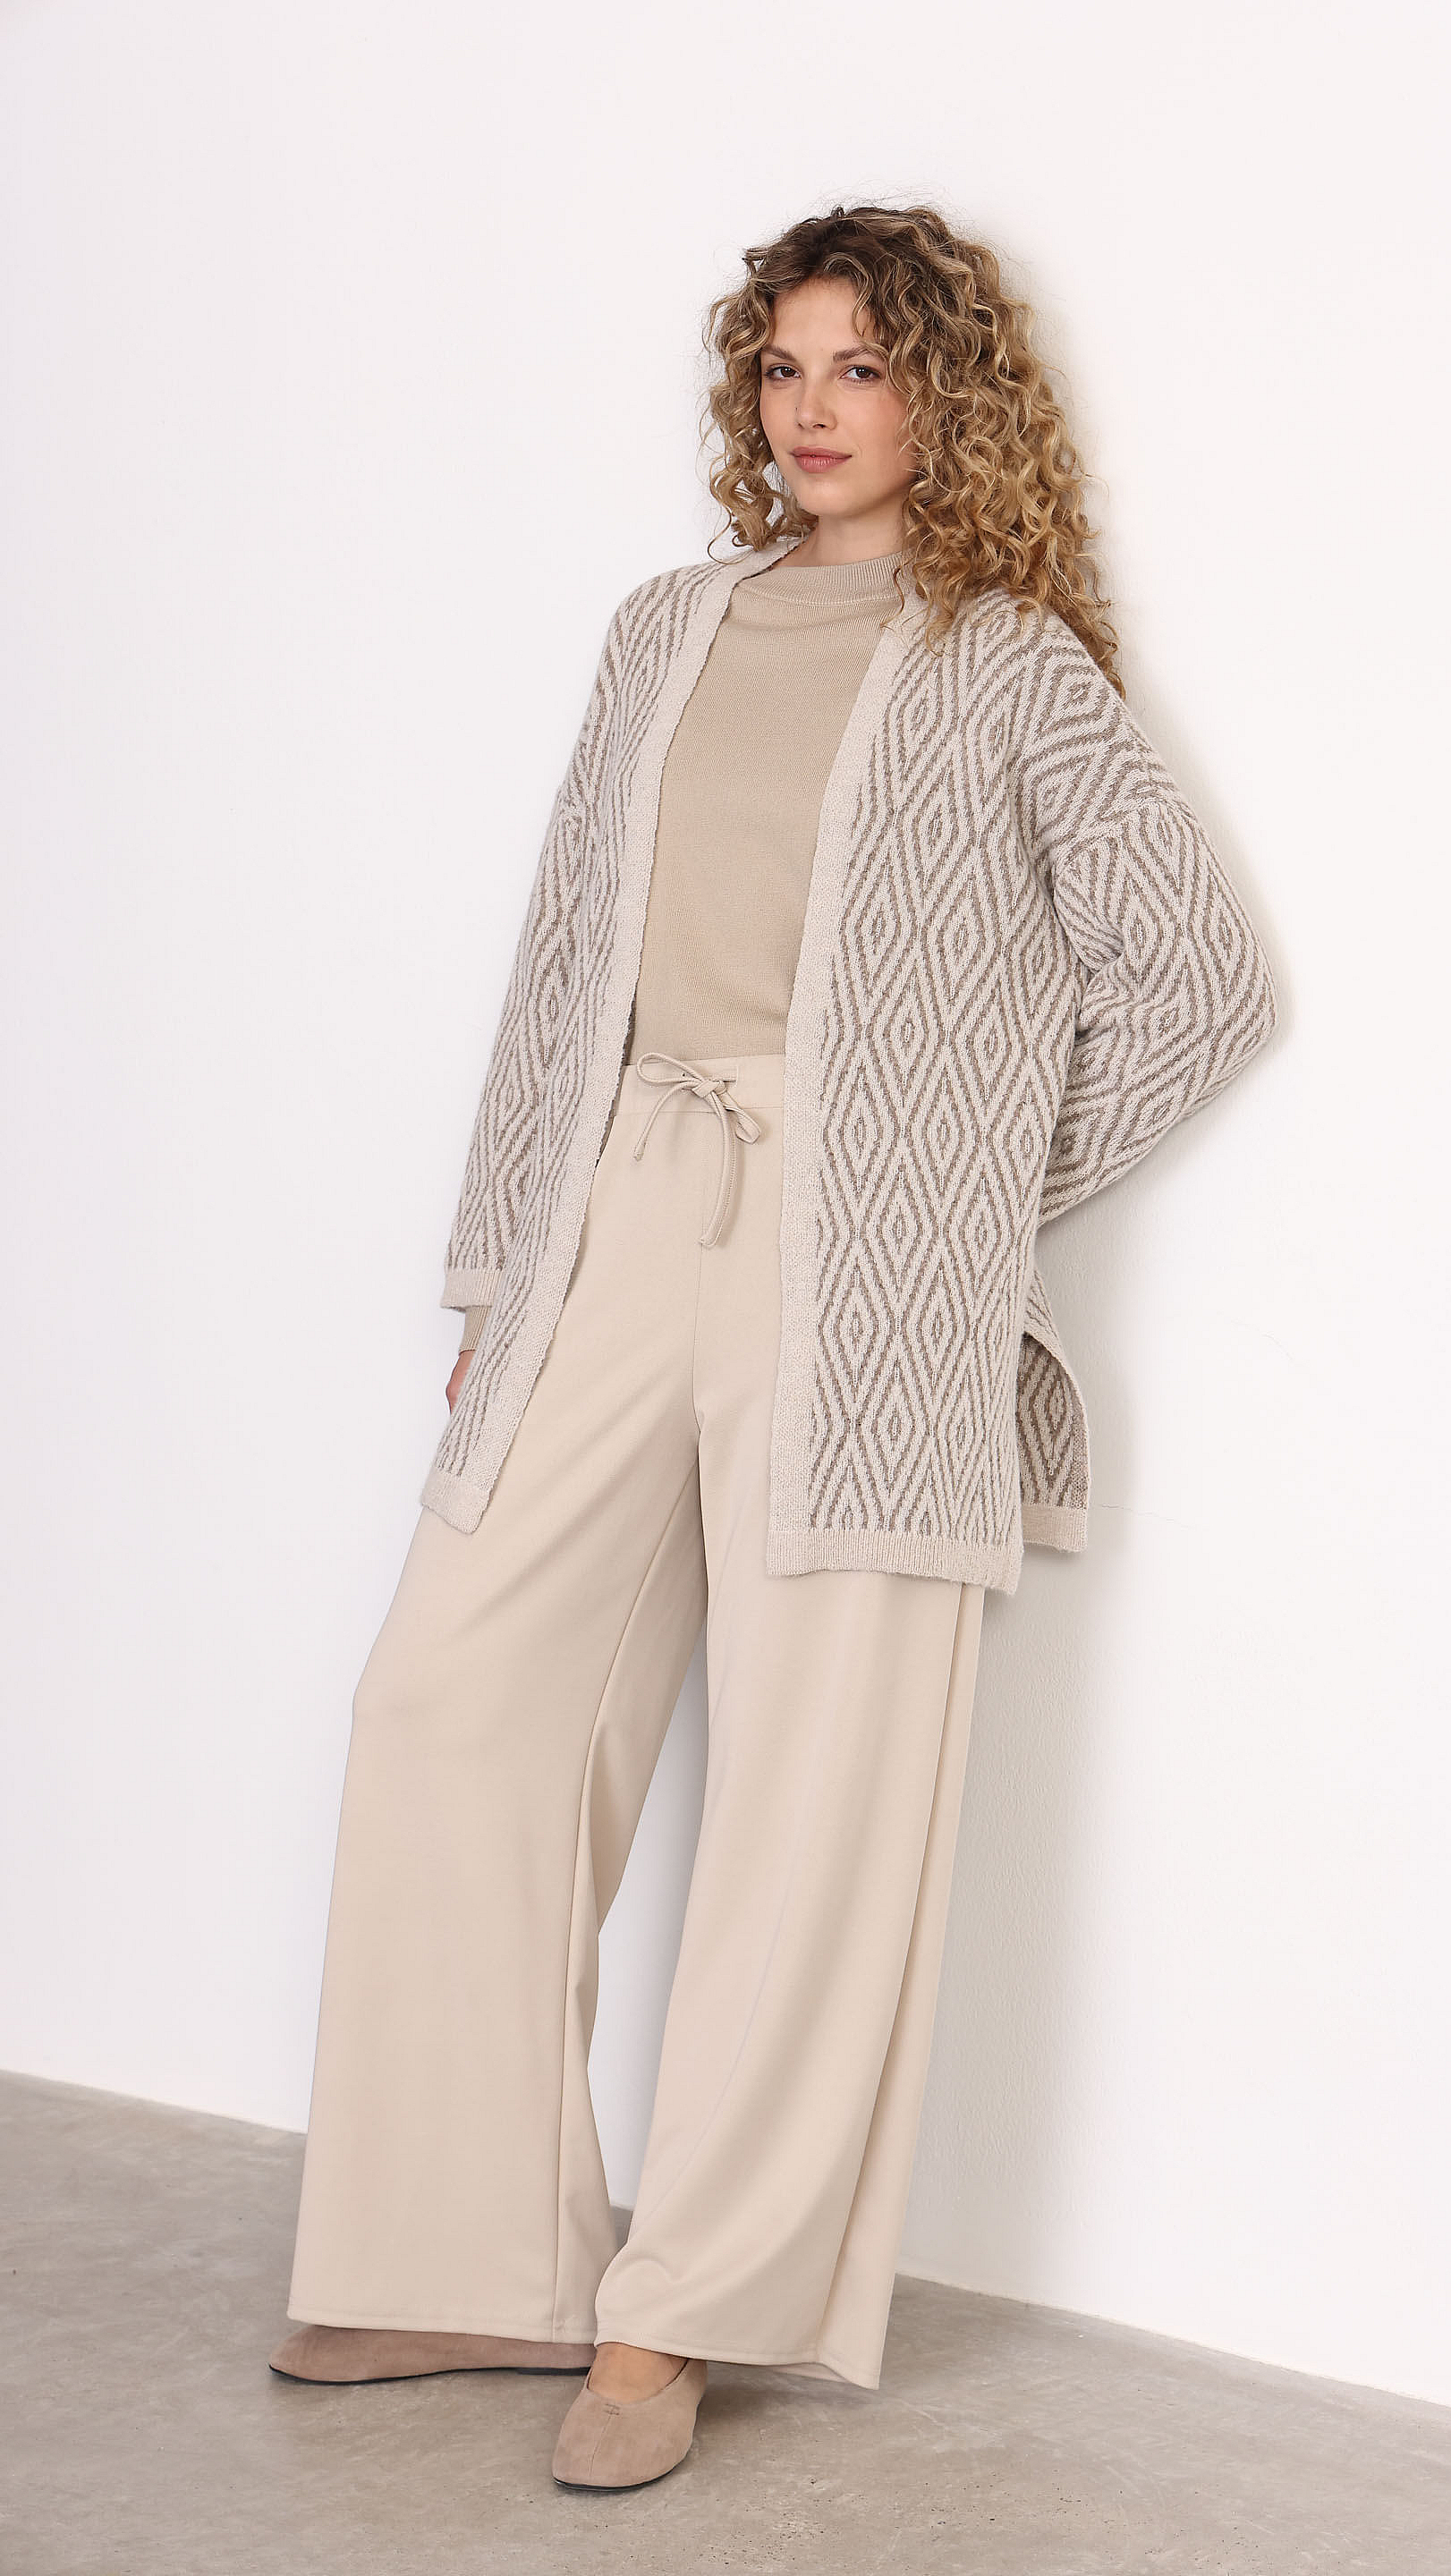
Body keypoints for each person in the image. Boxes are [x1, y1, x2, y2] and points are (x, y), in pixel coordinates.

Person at [267, 201, 1280, 2493]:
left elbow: (1201, 979)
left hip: (863, 1267)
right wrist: (501, 1271)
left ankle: (683, 2316)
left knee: (815, 1797)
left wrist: (943, 1186)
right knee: (449, 1702)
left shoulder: (1011, 665)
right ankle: (463, 2258)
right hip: (621, 1203)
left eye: (862, 367)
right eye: (783, 366)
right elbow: (562, 960)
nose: (812, 409)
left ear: (946, 397)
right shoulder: (666, 628)